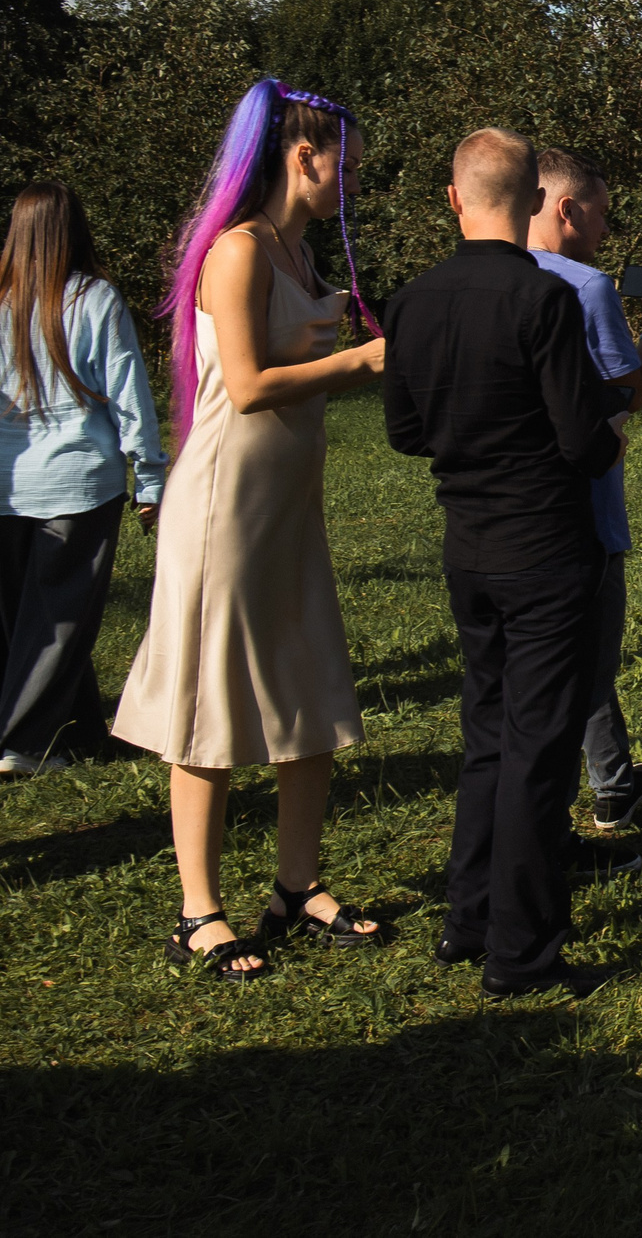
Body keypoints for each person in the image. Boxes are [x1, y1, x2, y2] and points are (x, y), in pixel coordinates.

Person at [113, 79, 390, 981]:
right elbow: (251, 379)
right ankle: (199, 909)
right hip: (223, 507)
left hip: (286, 505)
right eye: (342, 161)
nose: (351, 178)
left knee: (305, 682)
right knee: (210, 701)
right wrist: (363, 358)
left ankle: (296, 884)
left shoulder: (304, 256)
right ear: (301, 155)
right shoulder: (239, 253)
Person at [384, 128, 628, 998]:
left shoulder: (412, 301)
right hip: (545, 548)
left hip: (468, 543)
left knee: (486, 731)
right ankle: (521, 950)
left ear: (454, 197)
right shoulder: (543, 302)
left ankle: (470, 914)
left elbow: (406, 431)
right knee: (537, 745)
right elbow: (579, 436)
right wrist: (606, 440)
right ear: (532, 201)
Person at [528, 148, 642, 831]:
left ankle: (614, 778)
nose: (603, 228)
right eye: (600, 212)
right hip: (586, 501)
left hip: (513, 510)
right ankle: (565, 812)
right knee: (588, 652)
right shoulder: (586, 287)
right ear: (567, 208)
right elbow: (632, 388)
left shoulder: (498, 277)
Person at [0, 183, 165, 774]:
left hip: (10, 486)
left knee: (29, 618)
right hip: (78, 484)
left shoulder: (3, 299)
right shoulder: (94, 299)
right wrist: (151, 478)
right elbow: (128, 397)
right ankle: (20, 742)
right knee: (59, 620)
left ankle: (80, 731)